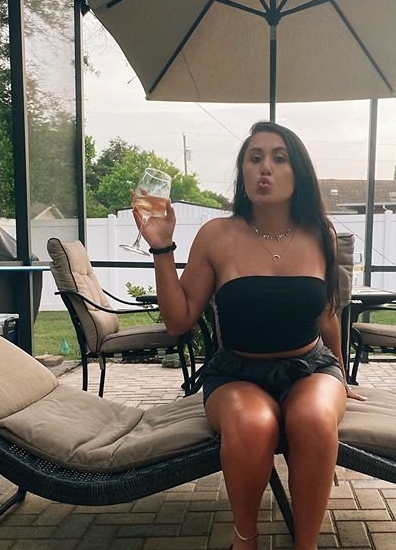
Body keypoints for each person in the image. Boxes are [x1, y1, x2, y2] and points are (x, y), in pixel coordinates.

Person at [134, 121, 365, 550]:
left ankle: (307, 545)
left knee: (314, 418)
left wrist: (342, 372)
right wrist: (161, 247)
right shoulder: (217, 235)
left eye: (279, 158)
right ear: (242, 172)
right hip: (237, 373)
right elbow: (178, 321)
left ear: (298, 172)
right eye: (254, 158)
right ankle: (246, 540)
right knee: (252, 423)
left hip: (311, 368)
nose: (265, 168)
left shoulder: (321, 234)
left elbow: (328, 313)